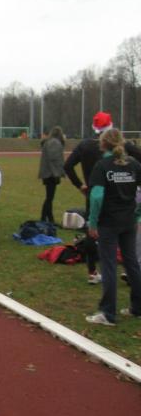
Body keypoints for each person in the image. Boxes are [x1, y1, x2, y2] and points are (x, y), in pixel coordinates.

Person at [64, 111, 141, 283]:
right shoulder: (122, 144)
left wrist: (80, 185)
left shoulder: (84, 145)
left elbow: (67, 165)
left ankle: (92, 272)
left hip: (93, 194)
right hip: (119, 196)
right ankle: (130, 271)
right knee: (125, 234)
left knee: (92, 231)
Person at [84, 128, 141, 326]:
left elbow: (96, 196)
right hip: (128, 221)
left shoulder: (102, 166)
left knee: (108, 265)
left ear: (103, 144)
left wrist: (92, 222)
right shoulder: (133, 164)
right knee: (131, 262)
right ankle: (137, 307)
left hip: (108, 222)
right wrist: (138, 213)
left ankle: (108, 313)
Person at [38, 126, 65, 224]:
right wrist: (58, 171)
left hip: (48, 172)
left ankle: (49, 218)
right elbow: (54, 158)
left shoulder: (49, 142)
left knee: (49, 197)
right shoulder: (55, 143)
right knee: (49, 198)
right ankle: (44, 217)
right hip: (51, 173)